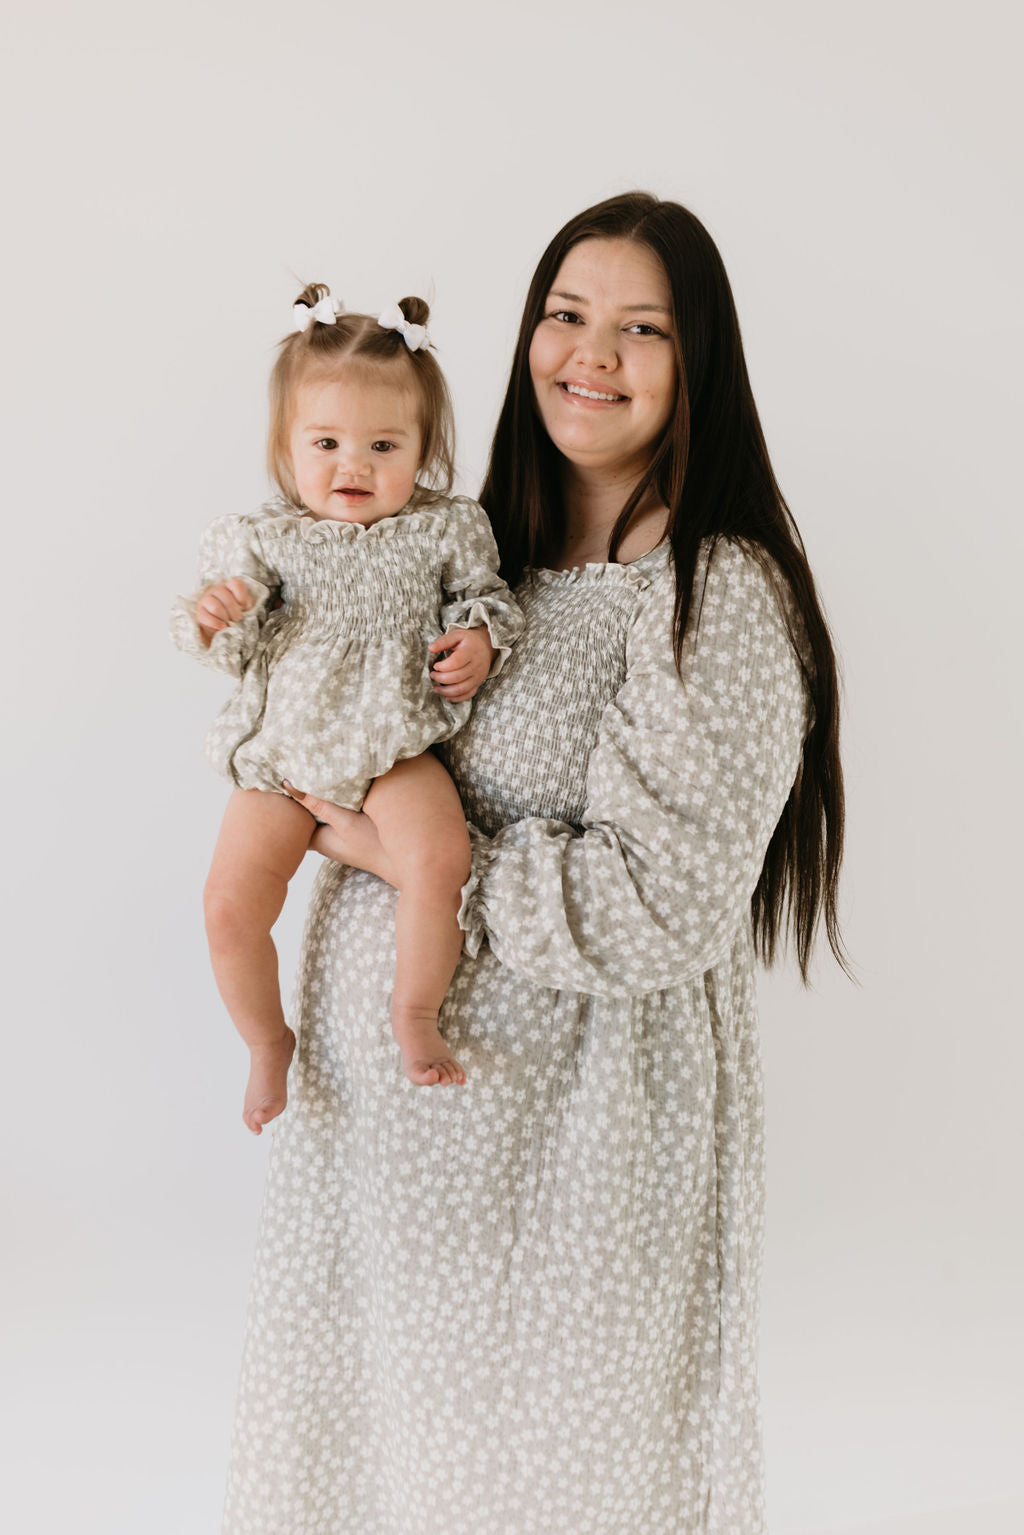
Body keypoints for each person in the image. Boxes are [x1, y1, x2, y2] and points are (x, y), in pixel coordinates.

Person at [221, 195, 846, 1535]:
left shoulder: (713, 589)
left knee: (563, 1476)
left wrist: (391, 852)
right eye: (566, 315)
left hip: (576, 1146)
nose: (590, 353)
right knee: (377, 1467)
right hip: (376, 1134)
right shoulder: (464, 553)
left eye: (641, 329)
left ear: (700, 367)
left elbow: (653, 907)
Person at [171, 286, 524, 1123]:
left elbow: (489, 599)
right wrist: (216, 617)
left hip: (398, 746)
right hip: (283, 757)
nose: (353, 466)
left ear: (423, 450)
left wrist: (477, 641)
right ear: (288, 449)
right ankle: (266, 1040)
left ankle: (415, 1011)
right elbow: (233, 638)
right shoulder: (265, 539)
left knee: (441, 863)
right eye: (325, 442)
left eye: (382, 445)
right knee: (228, 904)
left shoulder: (445, 528)